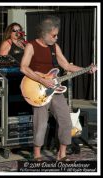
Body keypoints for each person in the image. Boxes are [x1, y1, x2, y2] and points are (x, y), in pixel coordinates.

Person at [20, 15, 97, 161]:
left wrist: (86, 69)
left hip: (54, 89)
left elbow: (67, 66)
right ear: (45, 33)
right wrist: (41, 80)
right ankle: (37, 155)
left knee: (66, 120)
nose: (56, 38)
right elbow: (23, 68)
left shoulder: (55, 47)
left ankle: (62, 154)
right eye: (54, 35)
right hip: (38, 90)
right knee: (40, 123)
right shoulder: (31, 46)